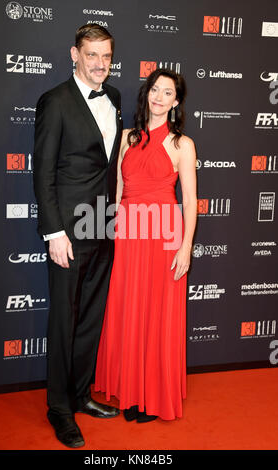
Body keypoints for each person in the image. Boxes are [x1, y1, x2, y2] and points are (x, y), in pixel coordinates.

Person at [33, 24, 123, 448]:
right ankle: (59, 408)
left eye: (106, 55)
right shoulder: (55, 102)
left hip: (103, 227)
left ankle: (81, 395)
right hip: (68, 231)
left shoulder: (117, 98)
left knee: (90, 317)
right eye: (91, 55)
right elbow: (43, 173)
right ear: (75, 54)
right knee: (64, 320)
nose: (100, 64)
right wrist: (54, 232)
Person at [95, 68, 197, 422]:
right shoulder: (127, 137)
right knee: (129, 309)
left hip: (165, 237)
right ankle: (130, 390)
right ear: (147, 94)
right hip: (128, 234)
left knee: (158, 315)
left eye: (167, 92)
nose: (159, 97)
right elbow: (119, 190)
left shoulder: (182, 144)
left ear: (176, 102)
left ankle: (154, 394)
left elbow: (191, 201)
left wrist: (185, 248)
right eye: (155, 90)